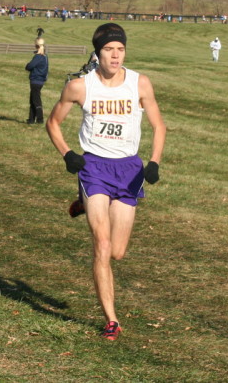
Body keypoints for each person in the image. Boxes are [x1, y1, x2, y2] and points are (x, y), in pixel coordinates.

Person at [46, 23, 166, 341]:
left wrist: (153, 162)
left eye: (120, 49)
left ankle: (85, 205)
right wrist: (68, 154)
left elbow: (159, 125)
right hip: (94, 168)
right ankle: (111, 319)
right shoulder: (79, 86)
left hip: (129, 170)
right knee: (102, 245)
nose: (115, 55)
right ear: (98, 52)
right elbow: (53, 123)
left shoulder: (140, 84)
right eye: (109, 49)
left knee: (117, 252)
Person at [24, 38, 48, 124]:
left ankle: (40, 119)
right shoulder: (45, 56)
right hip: (40, 80)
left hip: (35, 80)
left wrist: (27, 65)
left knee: (36, 100)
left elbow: (30, 66)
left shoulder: (38, 57)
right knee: (33, 99)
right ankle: (31, 119)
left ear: (36, 45)